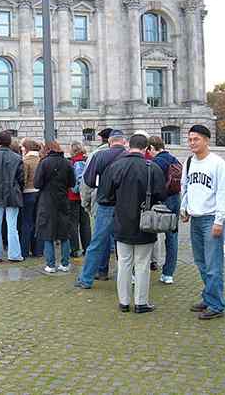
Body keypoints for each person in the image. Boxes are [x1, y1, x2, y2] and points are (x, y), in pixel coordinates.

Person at [101, 134, 167, 313]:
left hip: (122, 220)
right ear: (146, 148)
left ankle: (123, 302)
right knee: (142, 263)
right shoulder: (152, 168)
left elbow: (105, 196)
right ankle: (141, 302)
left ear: (129, 146)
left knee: (123, 263)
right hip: (146, 222)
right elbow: (162, 194)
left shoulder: (116, 166)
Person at [180, 124, 225, 320]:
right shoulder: (189, 163)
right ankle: (209, 296)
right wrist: (184, 209)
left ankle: (217, 304)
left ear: (206, 140)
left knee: (213, 264)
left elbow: (224, 194)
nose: (192, 143)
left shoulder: (218, 163)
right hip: (195, 218)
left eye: (196, 139)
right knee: (201, 262)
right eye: (190, 139)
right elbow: (185, 188)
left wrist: (219, 220)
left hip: (211, 218)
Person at [75, 129, 127, 289]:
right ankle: (128, 276)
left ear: (109, 142)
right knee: (125, 242)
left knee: (97, 242)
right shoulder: (130, 156)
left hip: (105, 204)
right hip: (126, 206)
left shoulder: (99, 156)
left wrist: (87, 203)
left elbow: (88, 181)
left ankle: (87, 278)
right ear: (124, 142)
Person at [34, 141, 76, 273]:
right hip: (63, 199)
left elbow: (37, 183)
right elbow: (72, 182)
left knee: (48, 233)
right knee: (64, 233)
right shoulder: (67, 163)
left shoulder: (44, 163)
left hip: (47, 200)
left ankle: (50, 265)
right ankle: (65, 263)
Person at [0, 130, 24, 262]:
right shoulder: (17, 158)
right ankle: (14, 254)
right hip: (12, 192)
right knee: (12, 226)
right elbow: (21, 178)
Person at [150, 136, 182, 284]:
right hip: (176, 198)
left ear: (151, 148)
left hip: (161, 201)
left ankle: (145, 266)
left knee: (150, 234)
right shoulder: (174, 159)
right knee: (172, 237)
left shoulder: (156, 162)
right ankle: (168, 274)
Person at [67, 141, 91, 257]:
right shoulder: (87, 161)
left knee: (73, 224)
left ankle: (75, 249)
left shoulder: (76, 162)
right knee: (85, 223)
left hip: (74, 196)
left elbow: (78, 180)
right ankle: (87, 247)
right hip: (84, 196)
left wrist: (74, 189)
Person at [20, 139, 42, 258]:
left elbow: (23, 179)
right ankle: (38, 250)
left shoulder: (25, 161)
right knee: (37, 221)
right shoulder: (41, 160)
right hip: (39, 193)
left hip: (28, 193)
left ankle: (24, 250)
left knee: (26, 222)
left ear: (26, 148)